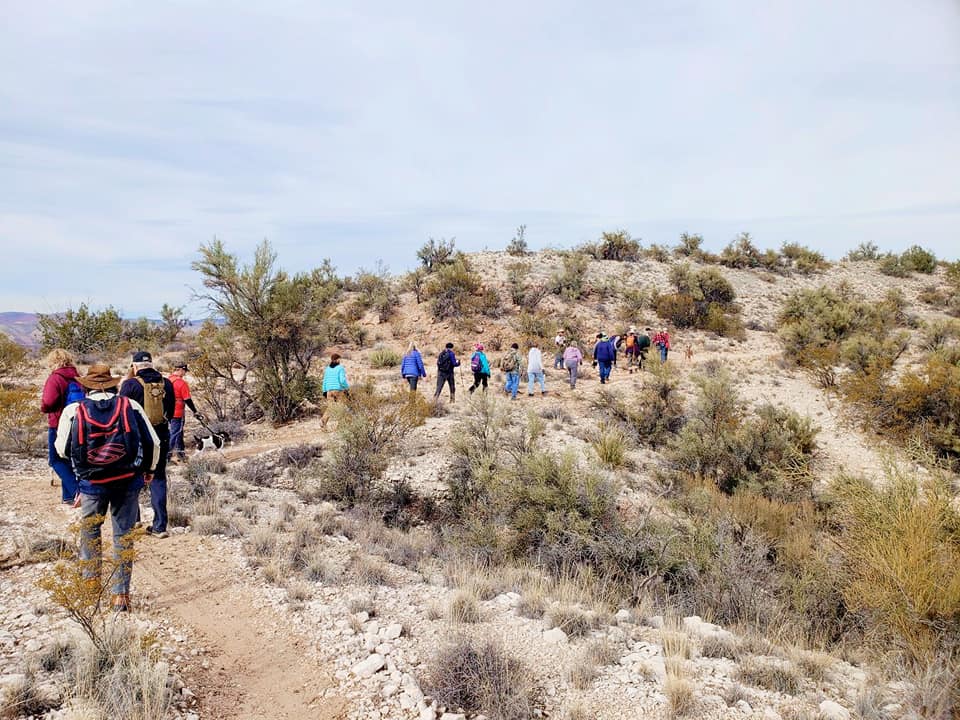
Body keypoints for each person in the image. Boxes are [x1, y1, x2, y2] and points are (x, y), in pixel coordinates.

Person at [56, 363, 160, 612]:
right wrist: (149, 471)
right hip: (127, 480)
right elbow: (153, 443)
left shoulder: (73, 409)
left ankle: (92, 589)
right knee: (123, 535)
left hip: (92, 483)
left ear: (87, 386)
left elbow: (61, 449)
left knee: (90, 532)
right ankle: (120, 597)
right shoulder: (130, 406)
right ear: (113, 384)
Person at [120, 351, 175, 539]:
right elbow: (173, 410)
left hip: (137, 438)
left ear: (134, 366)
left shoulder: (130, 384)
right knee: (158, 478)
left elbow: (122, 412)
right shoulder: (166, 383)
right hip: (161, 436)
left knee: (131, 478)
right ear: (151, 364)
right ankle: (160, 526)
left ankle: (133, 520)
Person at [40, 349, 82, 505]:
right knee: (70, 459)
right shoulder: (78, 377)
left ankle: (78, 492)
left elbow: (48, 402)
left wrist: (43, 407)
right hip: (78, 422)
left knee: (56, 460)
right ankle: (68, 497)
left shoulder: (55, 378)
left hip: (58, 423)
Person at [167, 362, 204, 463]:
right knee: (175, 433)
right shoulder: (181, 383)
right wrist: (195, 411)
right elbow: (187, 399)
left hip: (167, 411)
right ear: (181, 370)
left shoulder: (168, 380)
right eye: (184, 371)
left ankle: (181, 453)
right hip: (177, 412)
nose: (185, 374)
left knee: (178, 432)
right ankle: (166, 457)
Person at [321, 353, 350, 427]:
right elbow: (342, 380)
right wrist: (347, 388)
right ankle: (341, 425)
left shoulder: (327, 368)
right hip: (338, 391)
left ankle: (323, 422)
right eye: (339, 359)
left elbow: (324, 380)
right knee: (342, 406)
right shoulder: (340, 368)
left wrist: (324, 390)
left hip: (329, 391)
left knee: (330, 408)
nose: (340, 360)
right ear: (337, 360)